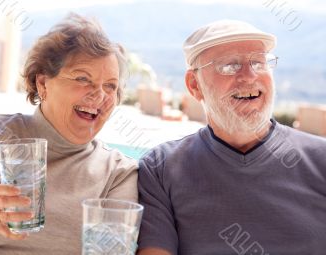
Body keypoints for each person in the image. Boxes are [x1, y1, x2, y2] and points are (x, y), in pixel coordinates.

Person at [0, 13, 138, 254]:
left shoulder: (118, 173)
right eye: (83, 78)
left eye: (110, 86)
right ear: (43, 84)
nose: (99, 95)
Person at [137, 19, 326, 255]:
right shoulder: (160, 169)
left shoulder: (321, 160)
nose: (249, 76)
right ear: (194, 85)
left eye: (258, 62)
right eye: (229, 66)